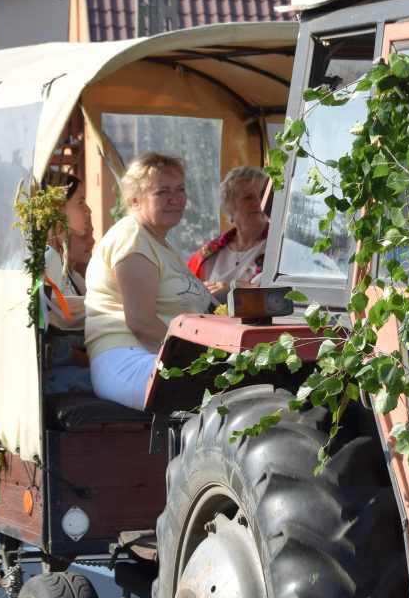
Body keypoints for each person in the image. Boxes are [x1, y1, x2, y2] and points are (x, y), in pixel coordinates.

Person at [83, 152, 214, 409]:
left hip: (155, 355)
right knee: (230, 388)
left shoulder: (159, 243)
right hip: (128, 358)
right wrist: (205, 358)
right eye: (162, 192)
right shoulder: (132, 239)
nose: (175, 199)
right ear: (135, 200)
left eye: (180, 189)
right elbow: (141, 324)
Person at [187, 165, 271, 302]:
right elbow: (185, 292)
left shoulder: (279, 249)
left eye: (262, 195)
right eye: (248, 197)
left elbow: (278, 291)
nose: (258, 203)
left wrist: (231, 289)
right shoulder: (208, 255)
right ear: (229, 206)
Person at [41, 176, 93, 330]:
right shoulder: (49, 257)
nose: (88, 210)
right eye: (80, 202)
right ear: (59, 208)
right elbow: (50, 320)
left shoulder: (61, 261)